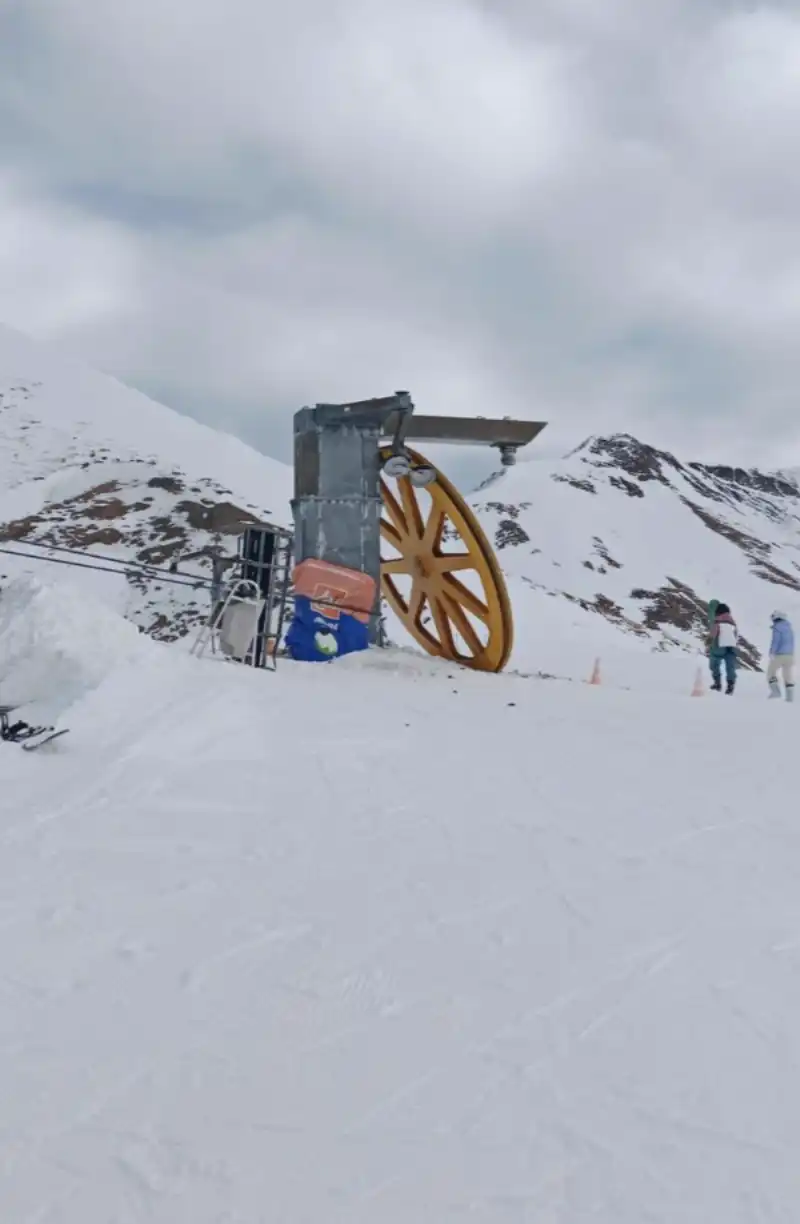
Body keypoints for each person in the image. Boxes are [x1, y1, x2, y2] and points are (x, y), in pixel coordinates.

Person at [708, 602, 738, 694]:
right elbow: (735, 636)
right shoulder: (733, 623)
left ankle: (717, 684)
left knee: (714, 664)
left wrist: (708, 644)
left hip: (719, 648)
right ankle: (730, 686)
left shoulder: (717, 621)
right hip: (731, 648)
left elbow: (713, 635)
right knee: (730, 667)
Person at [767, 610, 795, 702]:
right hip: (790, 655)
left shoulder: (777, 627)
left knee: (770, 673)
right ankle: (789, 698)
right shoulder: (789, 628)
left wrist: (772, 652)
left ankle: (776, 692)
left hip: (779, 655)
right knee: (787, 675)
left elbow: (776, 641)